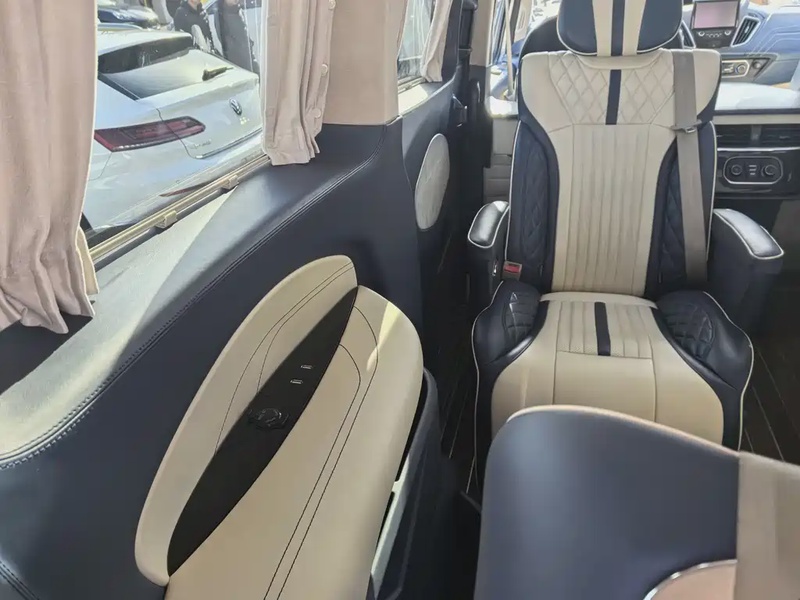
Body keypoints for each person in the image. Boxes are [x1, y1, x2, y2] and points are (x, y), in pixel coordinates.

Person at [215, 0, 260, 74]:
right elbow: (226, 43)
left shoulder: (238, 10)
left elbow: (244, 33)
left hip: (249, 57)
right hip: (238, 63)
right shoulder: (221, 15)